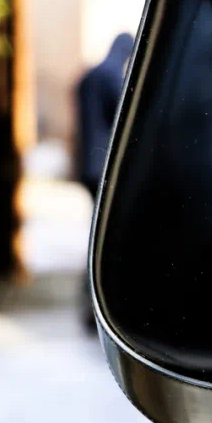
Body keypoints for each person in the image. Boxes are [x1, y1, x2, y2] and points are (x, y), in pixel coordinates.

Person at [75, 32, 134, 331]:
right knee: (104, 239)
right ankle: (98, 308)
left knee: (95, 234)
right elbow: (122, 118)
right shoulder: (112, 77)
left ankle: (90, 307)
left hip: (85, 165)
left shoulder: (88, 77)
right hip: (104, 168)